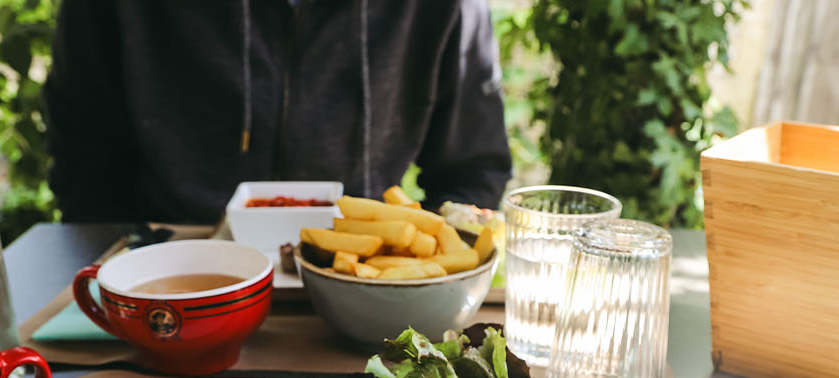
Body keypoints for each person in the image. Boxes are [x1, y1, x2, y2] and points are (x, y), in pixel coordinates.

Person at [44, 0, 513, 224]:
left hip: (368, 288)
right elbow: (85, 161)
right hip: (169, 283)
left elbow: (470, 173)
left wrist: (417, 276)